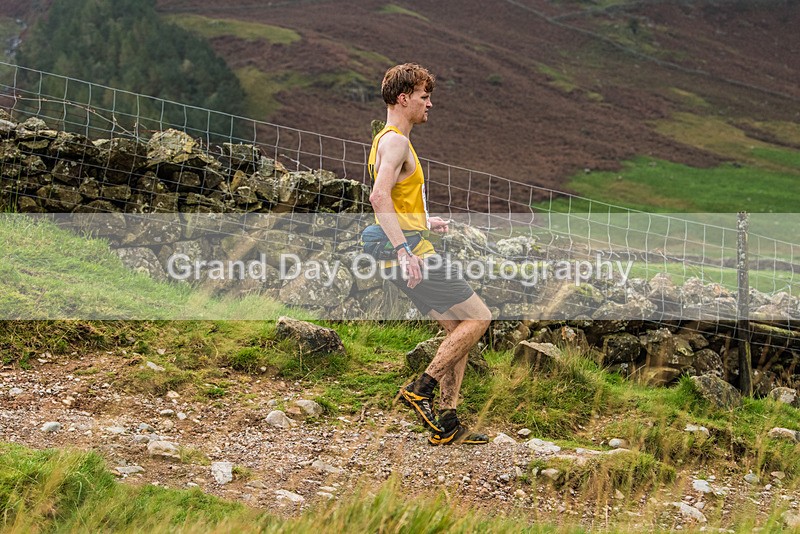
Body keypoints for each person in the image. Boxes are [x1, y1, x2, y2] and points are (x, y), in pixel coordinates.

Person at [367, 63, 493, 445]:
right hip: (412, 254)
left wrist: (422, 221)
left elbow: (396, 199)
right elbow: (378, 196)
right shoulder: (395, 142)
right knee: (480, 318)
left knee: (459, 331)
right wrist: (405, 249)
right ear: (404, 98)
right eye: (424, 96)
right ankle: (421, 387)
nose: (429, 104)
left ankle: (447, 421)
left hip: (412, 244)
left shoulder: (387, 140)